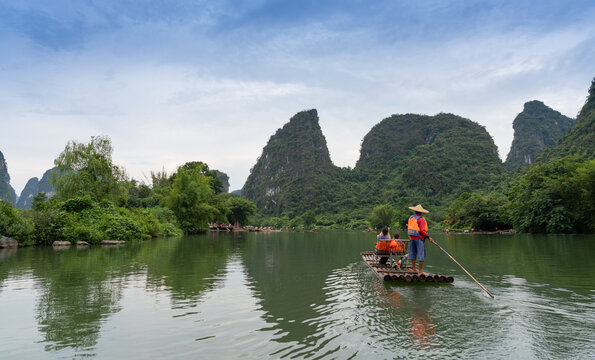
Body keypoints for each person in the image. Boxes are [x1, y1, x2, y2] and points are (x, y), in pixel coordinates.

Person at [407, 204, 435, 275]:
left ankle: (413, 268)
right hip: (419, 239)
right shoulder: (421, 219)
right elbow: (422, 231)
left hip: (412, 238)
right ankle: (420, 270)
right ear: (421, 212)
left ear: (415, 211)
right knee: (421, 254)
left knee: (413, 253)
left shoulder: (411, 218)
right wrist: (428, 237)